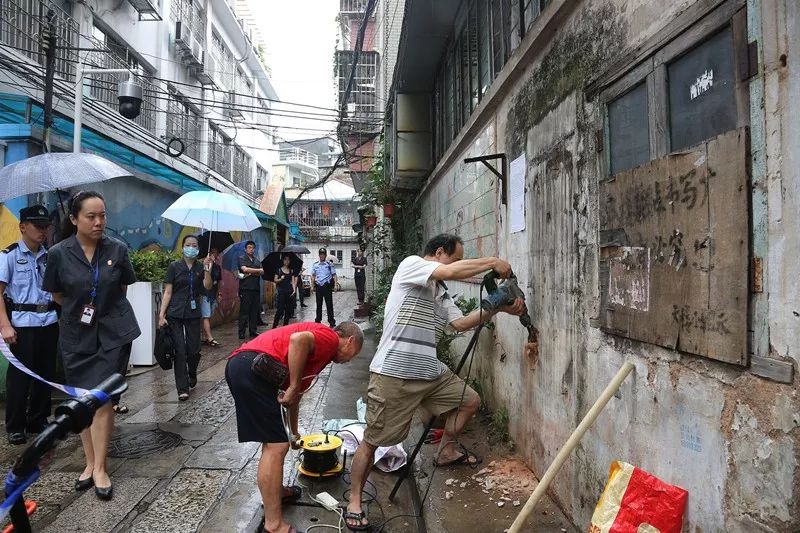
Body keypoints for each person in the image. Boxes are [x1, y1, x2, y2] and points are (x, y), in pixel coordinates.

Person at [344, 234, 524, 530]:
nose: (456, 266)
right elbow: (449, 271)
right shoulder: (411, 266)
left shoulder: (440, 291)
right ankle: (354, 500)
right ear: (439, 253)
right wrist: (492, 262)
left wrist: (499, 307)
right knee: (374, 441)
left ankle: (446, 450)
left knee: (469, 401)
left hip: (429, 371)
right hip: (395, 373)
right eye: (455, 258)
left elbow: (461, 323)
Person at [43, 191, 141, 501]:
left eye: (103, 216)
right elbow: (57, 294)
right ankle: (88, 462)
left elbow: (122, 287)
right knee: (81, 401)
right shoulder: (58, 253)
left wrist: (101, 307)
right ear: (74, 219)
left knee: (102, 400)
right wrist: (83, 309)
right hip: (76, 335)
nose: (99, 222)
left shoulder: (117, 249)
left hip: (113, 334)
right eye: (91, 217)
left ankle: (100, 467)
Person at [225, 321, 364, 533]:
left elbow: (294, 397)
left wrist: (294, 432)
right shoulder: (329, 339)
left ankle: (276, 492)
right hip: (251, 369)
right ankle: (274, 525)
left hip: (247, 368)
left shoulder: (318, 355)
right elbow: (297, 341)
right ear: (350, 340)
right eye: (353, 355)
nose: (349, 361)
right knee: (276, 447)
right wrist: (293, 386)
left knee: (277, 442)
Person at [0, 205, 59, 445]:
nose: (43, 231)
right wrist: (4, 325)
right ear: (22, 226)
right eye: (38, 225)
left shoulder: (50, 256)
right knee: (21, 377)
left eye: (46, 226)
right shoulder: (9, 256)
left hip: (49, 321)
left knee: (45, 373)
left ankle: (38, 419)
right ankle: (15, 425)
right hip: (22, 324)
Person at [158, 235, 214, 401]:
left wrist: (207, 271)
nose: (191, 247)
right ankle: (182, 388)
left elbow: (207, 287)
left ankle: (192, 372)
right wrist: (162, 314)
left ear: (198, 249)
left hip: (192, 313)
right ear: (182, 247)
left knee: (193, 349)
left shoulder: (200, 267)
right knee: (180, 351)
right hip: (175, 312)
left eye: (194, 245)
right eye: (188, 244)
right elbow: (168, 292)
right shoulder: (174, 267)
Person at [238, 240, 264, 339]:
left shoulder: (257, 260)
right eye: (249, 247)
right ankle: (241, 331)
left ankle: (253, 330)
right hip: (245, 288)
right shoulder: (242, 258)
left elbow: (262, 272)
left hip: (256, 288)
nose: (251, 249)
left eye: (253, 247)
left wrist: (251, 271)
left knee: (254, 311)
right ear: (245, 249)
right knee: (244, 311)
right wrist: (256, 271)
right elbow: (244, 269)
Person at [200, 247, 222, 347]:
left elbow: (219, 282)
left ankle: (205, 337)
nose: (214, 255)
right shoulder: (203, 265)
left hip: (213, 294)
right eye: (212, 253)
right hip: (205, 294)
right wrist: (210, 264)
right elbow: (206, 277)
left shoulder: (218, 267)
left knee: (209, 316)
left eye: (216, 253)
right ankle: (210, 338)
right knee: (206, 315)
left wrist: (219, 293)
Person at [311, 248, 337, 327]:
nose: (322, 256)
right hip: (319, 286)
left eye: (323, 254)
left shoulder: (329, 264)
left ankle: (331, 321)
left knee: (329, 304)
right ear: (319, 255)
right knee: (319, 304)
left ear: (325, 255)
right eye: (320, 254)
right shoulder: (315, 265)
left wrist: (335, 285)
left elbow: (334, 275)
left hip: (327, 286)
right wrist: (312, 286)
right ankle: (318, 320)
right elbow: (313, 276)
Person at [272, 254, 297, 328]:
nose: (287, 261)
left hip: (289, 291)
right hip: (281, 291)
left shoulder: (291, 270)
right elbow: (275, 280)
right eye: (285, 259)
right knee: (280, 309)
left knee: (288, 310)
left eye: (288, 260)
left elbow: (292, 281)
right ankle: (274, 325)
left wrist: (294, 290)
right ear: (283, 260)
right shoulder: (279, 270)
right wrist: (281, 279)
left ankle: (285, 326)